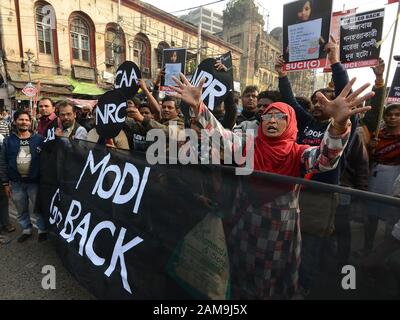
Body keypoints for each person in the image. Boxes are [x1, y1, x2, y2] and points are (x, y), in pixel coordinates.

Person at [170, 73, 373, 299]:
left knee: (272, 283)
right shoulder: (246, 145)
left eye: (280, 117)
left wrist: (338, 125)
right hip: (245, 228)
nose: (272, 121)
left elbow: (325, 160)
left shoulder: (299, 153)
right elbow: (220, 137)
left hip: (280, 235)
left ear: (291, 123)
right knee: (240, 277)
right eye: (267, 116)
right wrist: (199, 107)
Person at [0, 110, 47, 242]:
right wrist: (5, 183)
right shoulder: (8, 141)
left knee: (37, 209)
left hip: (35, 182)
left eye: (26, 120)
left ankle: (42, 230)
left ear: (30, 122)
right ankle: (26, 229)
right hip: (16, 183)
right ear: (15, 121)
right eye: (21, 119)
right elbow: (3, 162)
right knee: (21, 209)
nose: (24, 122)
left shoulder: (40, 140)